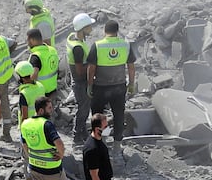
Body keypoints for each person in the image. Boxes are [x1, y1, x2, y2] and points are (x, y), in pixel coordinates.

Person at [20, 95, 69, 180]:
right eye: (49, 108)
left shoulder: (25, 123)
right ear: (41, 111)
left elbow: (24, 143)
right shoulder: (46, 124)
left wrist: (31, 156)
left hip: (35, 167)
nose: (51, 110)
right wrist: (61, 154)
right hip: (51, 168)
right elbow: (59, 143)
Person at [88, 18, 135, 150]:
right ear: (117, 31)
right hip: (119, 87)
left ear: (104, 31)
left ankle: (98, 141)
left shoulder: (97, 45)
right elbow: (131, 67)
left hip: (100, 87)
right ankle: (117, 145)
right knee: (119, 114)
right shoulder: (125, 45)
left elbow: (91, 68)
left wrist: (90, 85)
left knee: (97, 115)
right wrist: (131, 84)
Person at [66, 12, 95, 143]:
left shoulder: (73, 38)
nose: (91, 29)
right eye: (89, 26)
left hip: (79, 82)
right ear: (83, 28)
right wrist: (93, 65)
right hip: (80, 82)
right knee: (83, 110)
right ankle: (77, 136)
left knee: (84, 108)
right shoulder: (78, 48)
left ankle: (82, 132)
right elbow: (79, 71)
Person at [26, 26, 60, 108]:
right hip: (53, 88)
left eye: (28, 40)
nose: (27, 43)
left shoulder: (36, 56)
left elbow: (33, 76)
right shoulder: (52, 50)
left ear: (33, 40)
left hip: (41, 92)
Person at [14, 61, 45, 125]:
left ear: (21, 77)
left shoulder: (24, 93)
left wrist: (22, 128)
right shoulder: (41, 86)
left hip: (29, 126)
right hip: (40, 123)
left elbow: (25, 116)